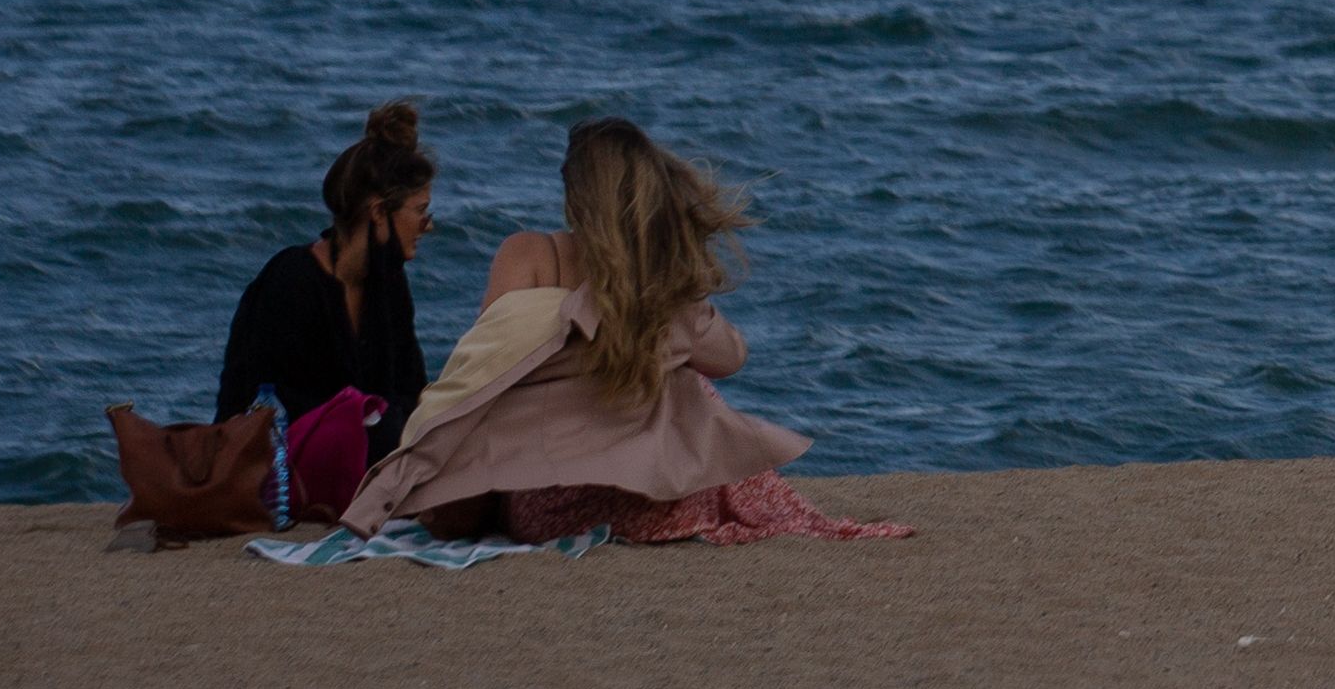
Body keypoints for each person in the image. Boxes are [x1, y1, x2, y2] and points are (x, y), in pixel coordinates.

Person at [340, 117, 904, 546]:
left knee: (637, 391)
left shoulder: (529, 256)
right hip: (661, 499)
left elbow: (483, 376)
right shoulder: (657, 286)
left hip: (550, 506)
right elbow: (731, 357)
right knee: (692, 389)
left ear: (574, 196)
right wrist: (676, 292)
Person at [217, 100, 438, 453]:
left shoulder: (389, 283)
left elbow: (411, 390)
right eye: (421, 212)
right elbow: (261, 407)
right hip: (282, 471)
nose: (429, 226)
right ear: (379, 212)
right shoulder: (292, 282)